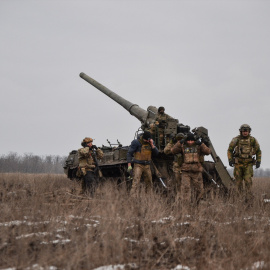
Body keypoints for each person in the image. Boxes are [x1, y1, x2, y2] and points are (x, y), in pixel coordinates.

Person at [171, 132, 211, 205]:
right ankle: (186, 204)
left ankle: (198, 203)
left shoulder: (198, 146)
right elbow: (173, 150)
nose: (190, 142)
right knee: (185, 188)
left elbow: (208, 151)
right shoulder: (183, 146)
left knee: (199, 189)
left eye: (191, 140)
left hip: (196, 170)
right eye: (188, 140)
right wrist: (179, 143)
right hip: (186, 170)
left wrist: (201, 144)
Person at [227, 124, 261, 198]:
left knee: (248, 182)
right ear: (241, 131)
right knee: (238, 183)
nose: (245, 132)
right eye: (244, 131)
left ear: (249, 131)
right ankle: (239, 199)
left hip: (248, 164)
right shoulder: (236, 140)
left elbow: (258, 151)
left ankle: (248, 199)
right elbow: (229, 150)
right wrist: (230, 160)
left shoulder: (253, 140)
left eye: (247, 131)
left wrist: (258, 161)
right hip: (238, 164)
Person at [127, 131, 159, 196]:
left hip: (147, 165)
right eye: (146, 140)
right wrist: (129, 164)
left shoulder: (151, 142)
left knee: (149, 183)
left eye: (148, 140)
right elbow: (129, 153)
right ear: (144, 138)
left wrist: (152, 145)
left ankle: (149, 198)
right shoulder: (136, 142)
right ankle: (132, 199)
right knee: (136, 183)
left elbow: (156, 153)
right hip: (138, 165)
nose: (147, 141)